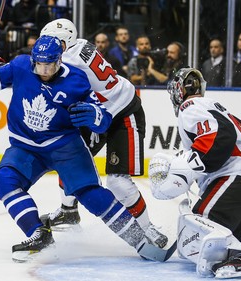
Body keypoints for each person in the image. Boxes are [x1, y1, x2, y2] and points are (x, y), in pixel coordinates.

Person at [0, 34, 169, 263]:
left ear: (60, 60)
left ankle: (139, 238)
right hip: (26, 146)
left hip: (65, 146)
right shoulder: (20, 66)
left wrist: (95, 115)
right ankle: (38, 233)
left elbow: (103, 121)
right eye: (39, 64)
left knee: (91, 194)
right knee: (3, 180)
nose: (43, 70)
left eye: (49, 64)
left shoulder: (76, 80)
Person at [147, 67, 241, 278]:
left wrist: (190, 162)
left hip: (239, 178)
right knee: (225, 231)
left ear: (178, 91)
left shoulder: (190, 106)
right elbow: (238, 131)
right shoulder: (214, 106)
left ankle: (238, 257)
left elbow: (218, 135)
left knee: (198, 230)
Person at [39, 18, 168, 245]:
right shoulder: (78, 43)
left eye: (52, 42)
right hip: (97, 112)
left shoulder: (67, 62)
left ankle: (148, 229)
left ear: (63, 43)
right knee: (69, 156)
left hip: (123, 112)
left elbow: (35, 75)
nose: (46, 47)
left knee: (118, 182)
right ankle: (67, 211)